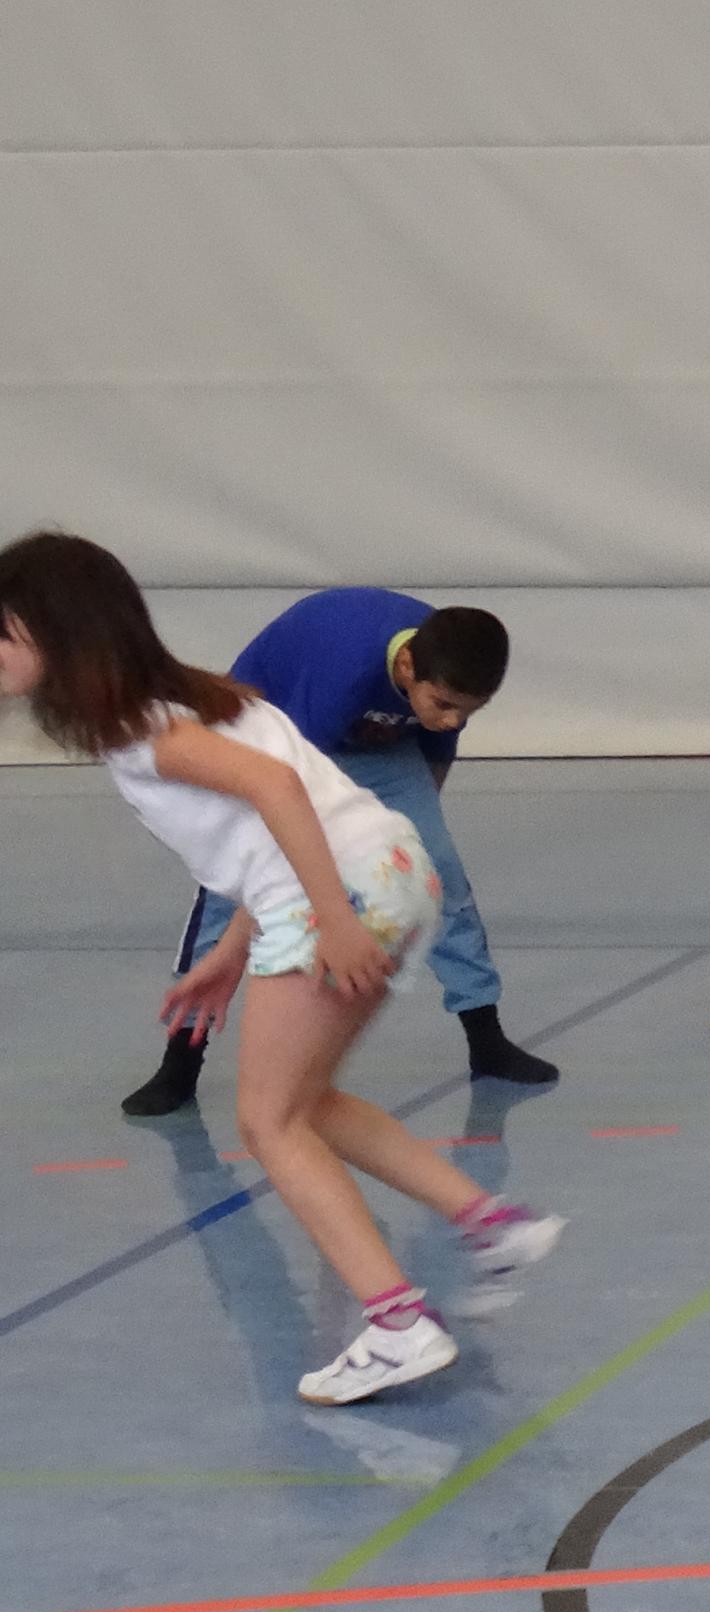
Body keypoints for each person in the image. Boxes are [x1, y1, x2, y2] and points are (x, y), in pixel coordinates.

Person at [0, 535, 567, 1405]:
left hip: (338, 894)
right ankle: (492, 1224)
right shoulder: (197, 697)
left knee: (268, 1121)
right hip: (392, 868)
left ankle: (397, 1323)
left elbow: (277, 790)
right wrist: (231, 952)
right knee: (310, 1103)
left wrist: (330, 920)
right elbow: (262, 832)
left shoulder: (145, 730)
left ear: (58, 633)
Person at [123, 588, 544, 1117]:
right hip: (279, 748)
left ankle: (486, 1036)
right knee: (230, 895)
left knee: (440, 871)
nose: (454, 720)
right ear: (406, 666)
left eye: (469, 712)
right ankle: (181, 1061)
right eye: (444, 706)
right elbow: (290, 787)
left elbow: (436, 756)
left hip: (375, 749)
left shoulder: (447, 667)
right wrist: (328, 906)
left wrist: (402, 841)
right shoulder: (343, 669)